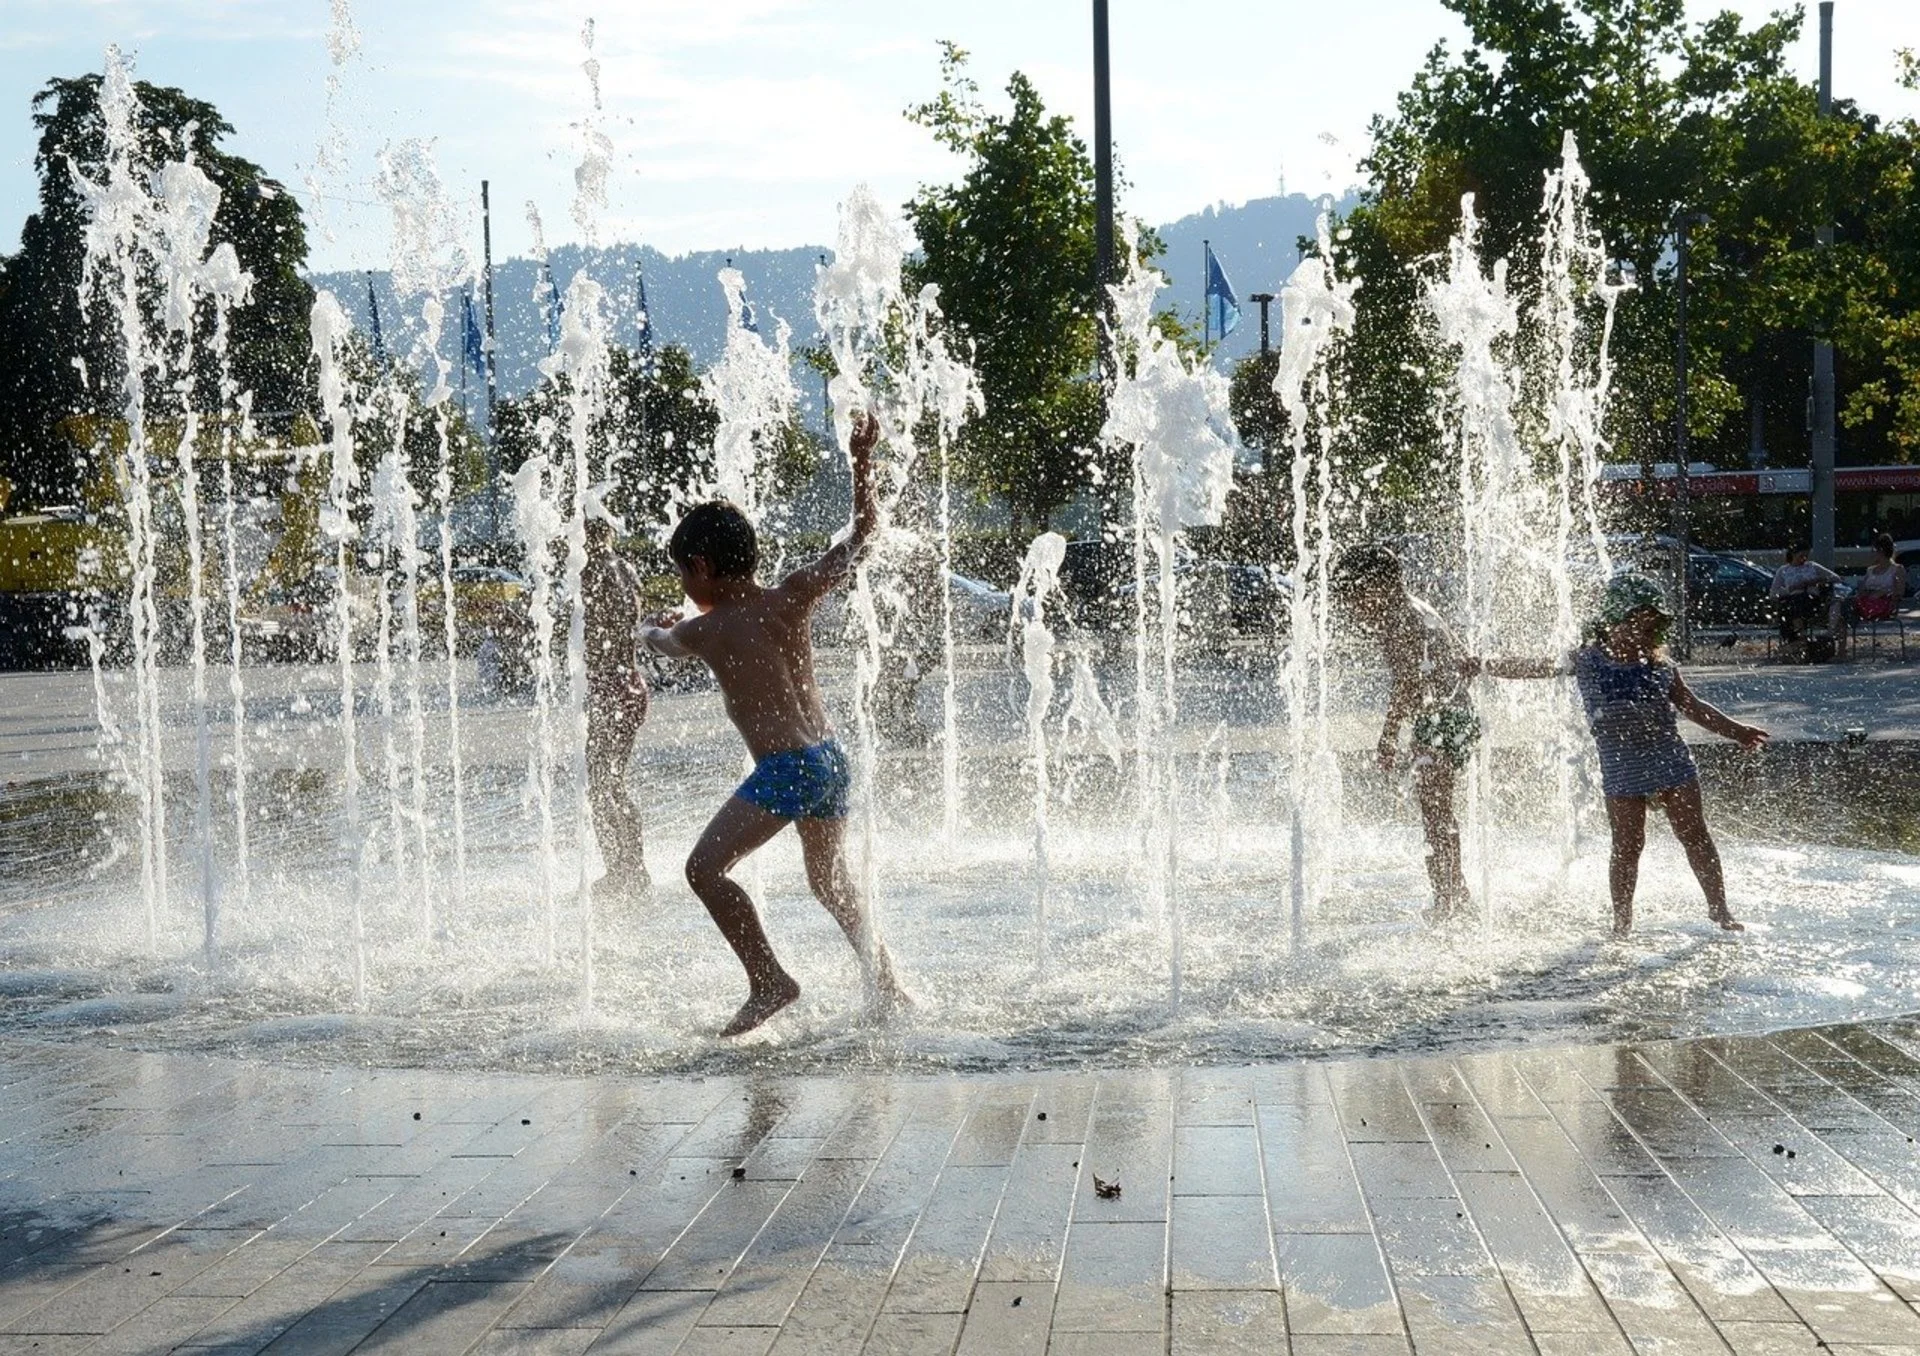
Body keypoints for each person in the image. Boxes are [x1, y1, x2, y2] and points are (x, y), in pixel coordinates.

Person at [639, 411, 907, 1036]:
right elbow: (865, 536)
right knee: (831, 882)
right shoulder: (793, 593)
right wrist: (860, 464)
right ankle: (888, 988)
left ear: (700, 567)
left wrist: (643, 627)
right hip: (831, 758)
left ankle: (768, 981)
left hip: (787, 768)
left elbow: (665, 642)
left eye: (683, 572)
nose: (683, 583)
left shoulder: (704, 629)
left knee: (703, 870)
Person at [1470, 574, 1767, 936]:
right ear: (1613, 621)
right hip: (1622, 768)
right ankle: (1622, 922)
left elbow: (1694, 707)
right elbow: (1535, 667)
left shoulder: (1660, 666)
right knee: (1627, 847)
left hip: (1669, 759)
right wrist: (1483, 665)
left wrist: (1738, 732)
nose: (1643, 632)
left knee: (1695, 836)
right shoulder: (1587, 661)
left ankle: (1720, 911)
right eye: (1636, 623)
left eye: (1651, 625)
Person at [1331, 545, 1479, 921]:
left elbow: (1407, 682)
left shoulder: (1398, 618)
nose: (1351, 606)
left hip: (1440, 721)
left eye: (1353, 594)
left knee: (1434, 814)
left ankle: (1448, 898)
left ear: (1377, 585)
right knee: (1438, 811)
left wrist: (1387, 736)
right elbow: (1457, 653)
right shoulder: (1415, 607)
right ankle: (1453, 890)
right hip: (1452, 714)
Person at [583, 516, 651, 899]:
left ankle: (622, 870)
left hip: (610, 689)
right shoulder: (626, 569)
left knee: (601, 784)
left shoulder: (593, 572)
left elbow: (587, 630)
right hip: (629, 683)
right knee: (612, 781)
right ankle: (632, 866)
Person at [1769, 543, 1846, 660]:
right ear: (1793, 555)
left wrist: (1817, 580)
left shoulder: (1812, 566)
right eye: (1801, 556)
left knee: (1796, 605)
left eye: (1806, 556)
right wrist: (1791, 588)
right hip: (1792, 599)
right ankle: (1796, 641)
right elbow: (1774, 593)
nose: (1804, 559)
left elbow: (1836, 578)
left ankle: (1797, 642)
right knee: (1788, 606)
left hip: (1810, 600)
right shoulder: (1783, 570)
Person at [1853, 533, 1909, 624]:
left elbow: (1899, 592)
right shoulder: (1870, 570)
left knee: (1847, 608)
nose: (1871, 553)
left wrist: (1882, 593)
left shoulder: (1897, 569)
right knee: (1841, 604)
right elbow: (1861, 591)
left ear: (1881, 552)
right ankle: (1834, 632)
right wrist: (1867, 593)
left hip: (1883, 604)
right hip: (1866, 602)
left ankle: (1834, 631)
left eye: (1873, 550)